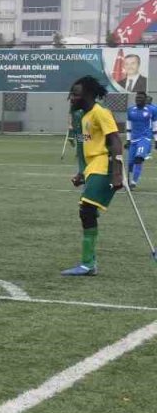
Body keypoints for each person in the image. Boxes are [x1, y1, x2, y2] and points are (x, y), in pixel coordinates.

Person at [61, 77, 126, 276]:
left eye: (76, 94)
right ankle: (89, 263)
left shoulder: (101, 112)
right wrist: (82, 172)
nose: (72, 97)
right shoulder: (85, 116)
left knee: (87, 209)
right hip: (93, 167)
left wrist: (117, 172)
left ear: (88, 94)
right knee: (88, 211)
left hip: (105, 164)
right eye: (72, 93)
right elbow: (87, 142)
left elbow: (115, 141)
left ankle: (88, 264)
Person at [128, 92, 156, 187]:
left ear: (145, 99)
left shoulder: (152, 109)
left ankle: (133, 182)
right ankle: (128, 179)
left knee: (138, 159)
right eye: (137, 98)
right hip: (133, 139)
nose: (138, 99)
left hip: (145, 137)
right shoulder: (131, 110)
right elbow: (129, 125)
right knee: (130, 163)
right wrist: (128, 140)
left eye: (141, 98)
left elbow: (155, 125)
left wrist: (156, 139)